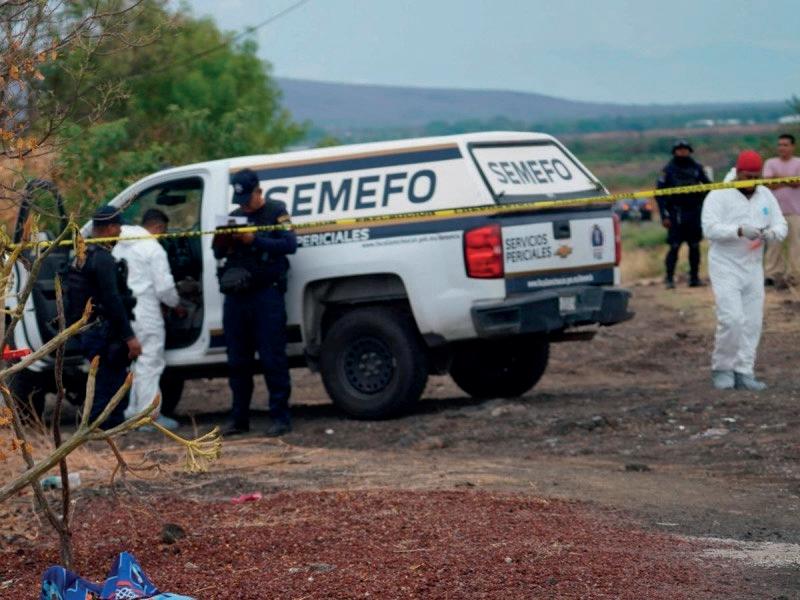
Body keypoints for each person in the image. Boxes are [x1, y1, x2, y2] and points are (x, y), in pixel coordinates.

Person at [213, 168, 297, 437]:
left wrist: (254, 240)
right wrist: (225, 241)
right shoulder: (234, 217)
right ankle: (239, 419)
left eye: (247, 199)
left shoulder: (276, 211)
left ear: (259, 191)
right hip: (237, 297)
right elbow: (217, 252)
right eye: (240, 201)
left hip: (266, 296)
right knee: (237, 361)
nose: (244, 206)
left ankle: (280, 417)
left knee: (273, 358)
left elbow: (289, 244)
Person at [701, 150, 787, 391]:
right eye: (747, 176)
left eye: (756, 177)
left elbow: (781, 223)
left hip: (753, 266)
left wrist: (773, 233)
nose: (751, 182)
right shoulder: (718, 195)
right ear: (738, 173)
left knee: (752, 322)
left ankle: (744, 371)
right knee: (732, 319)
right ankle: (722, 368)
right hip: (725, 265)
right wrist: (738, 231)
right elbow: (710, 228)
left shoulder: (765, 194)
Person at [112, 208, 185, 430]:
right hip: (147, 311)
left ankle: (133, 412)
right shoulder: (153, 248)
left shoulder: (120, 244)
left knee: (136, 363)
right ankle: (148, 417)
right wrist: (177, 304)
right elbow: (164, 288)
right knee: (150, 363)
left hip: (126, 310)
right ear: (158, 227)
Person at [75, 206, 142, 428]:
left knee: (104, 384)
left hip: (92, 332)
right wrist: (130, 337)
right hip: (104, 334)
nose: (120, 233)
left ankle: (101, 430)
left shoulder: (84, 255)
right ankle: (101, 433)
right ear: (110, 228)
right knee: (109, 388)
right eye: (119, 228)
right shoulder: (102, 259)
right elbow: (112, 300)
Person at [656, 140, 711, 288]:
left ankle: (694, 278)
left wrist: (705, 207)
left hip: (694, 212)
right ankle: (669, 279)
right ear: (674, 152)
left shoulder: (697, 168)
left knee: (694, 246)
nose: (682, 152)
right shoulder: (668, 170)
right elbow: (659, 195)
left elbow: (709, 187)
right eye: (679, 149)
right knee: (674, 247)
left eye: (685, 149)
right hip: (676, 213)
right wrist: (664, 216)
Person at [763, 134, 800, 288]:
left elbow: (797, 183)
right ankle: (772, 274)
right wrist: (789, 180)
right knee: (773, 244)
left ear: (792, 146)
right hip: (775, 213)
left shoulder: (798, 162)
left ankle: (794, 275)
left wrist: (777, 178)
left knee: (796, 245)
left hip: (795, 212)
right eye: (780, 145)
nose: (782, 148)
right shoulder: (770, 163)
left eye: (785, 145)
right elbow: (768, 184)